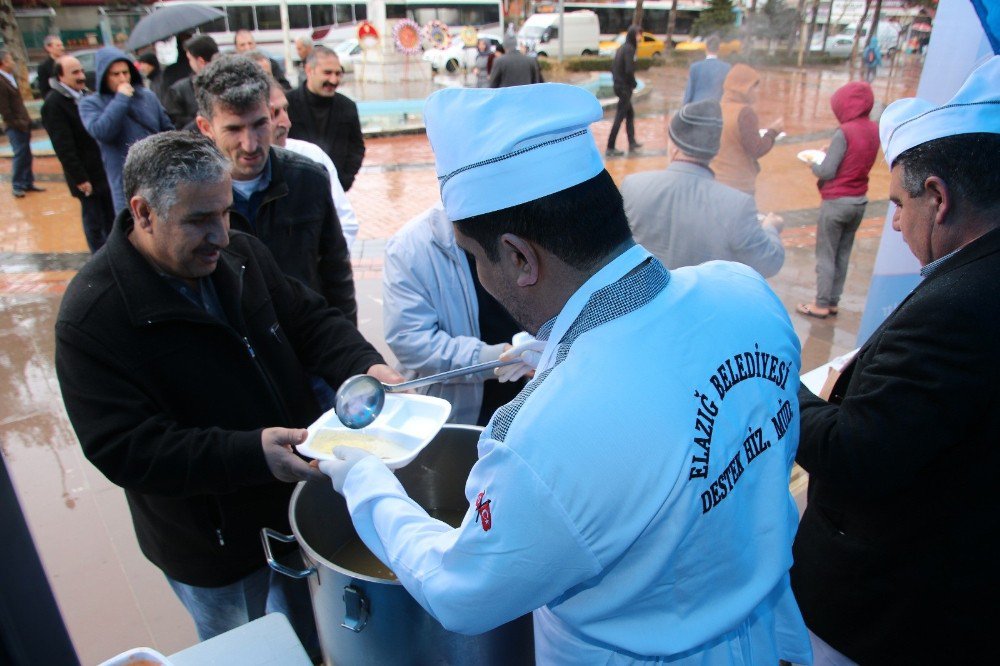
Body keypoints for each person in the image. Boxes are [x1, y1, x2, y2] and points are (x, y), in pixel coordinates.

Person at [317, 83, 811, 664]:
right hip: (768, 636)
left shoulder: (543, 437)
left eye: (476, 259)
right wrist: (555, 351)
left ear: (520, 258)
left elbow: (460, 593)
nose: (481, 276)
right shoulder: (744, 293)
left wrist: (365, 483)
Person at [54, 130, 401, 653]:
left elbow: (310, 321)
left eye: (223, 212)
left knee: (312, 634)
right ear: (143, 213)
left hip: (295, 505)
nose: (220, 234)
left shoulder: (241, 255)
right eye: (198, 220)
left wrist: (365, 364)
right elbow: (124, 448)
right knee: (244, 649)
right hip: (212, 546)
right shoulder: (93, 317)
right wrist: (249, 453)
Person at [790, 55, 1000, 665]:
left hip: (889, 607)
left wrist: (785, 384)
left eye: (899, 205)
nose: (898, 223)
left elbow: (855, 453)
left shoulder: (961, 304)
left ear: (938, 196)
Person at [195, 55, 357, 325]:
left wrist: (347, 349)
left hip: (306, 343)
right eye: (234, 129)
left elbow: (336, 275)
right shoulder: (192, 196)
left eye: (259, 124)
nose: (250, 144)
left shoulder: (309, 179)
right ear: (206, 127)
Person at [382, 202, 528, 426]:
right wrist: (499, 357)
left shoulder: (532, 224)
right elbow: (410, 340)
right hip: (454, 410)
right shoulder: (410, 248)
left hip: (528, 401)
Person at [622, 100, 785, 278]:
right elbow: (769, 263)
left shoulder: (633, 186)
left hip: (644, 301)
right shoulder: (737, 205)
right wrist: (771, 228)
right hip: (704, 305)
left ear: (674, 145)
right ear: (714, 152)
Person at [796, 81, 879, 319]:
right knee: (843, 253)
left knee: (826, 254)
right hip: (859, 202)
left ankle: (820, 303)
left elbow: (828, 171)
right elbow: (855, 157)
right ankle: (833, 302)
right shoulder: (873, 129)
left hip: (835, 203)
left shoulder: (844, 131)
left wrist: (814, 163)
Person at [79, 46, 173, 214]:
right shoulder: (91, 103)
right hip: (124, 180)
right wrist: (121, 99)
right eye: (115, 74)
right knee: (132, 227)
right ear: (104, 76)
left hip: (157, 175)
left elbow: (167, 129)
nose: (122, 78)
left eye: (125, 72)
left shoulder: (147, 96)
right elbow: (102, 131)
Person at [267, 77, 359, 249]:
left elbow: (345, 222)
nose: (286, 122)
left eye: (286, 110)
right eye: (274, 114)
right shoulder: (221, 177)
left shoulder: (311, 157)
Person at [41, 55, 115, 253]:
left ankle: (113, 254)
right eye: (75, 73)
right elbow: (63, 146)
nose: (81, 76)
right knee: (93, 218)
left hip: (102, 168)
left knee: (110, 215)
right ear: (60, 76)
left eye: (81, 71)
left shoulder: (86, 95)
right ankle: (99, 257)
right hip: (85, 173)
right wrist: (80, 177)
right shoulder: (54, 104)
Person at [286, 46, 365, 192]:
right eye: (327, 73)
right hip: (295, 191)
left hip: (335, 191)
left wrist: (343, 181)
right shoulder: (287, 104)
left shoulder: (347, 106)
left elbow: (356, 148)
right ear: (309, 70)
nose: (334, 80)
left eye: (338, 74)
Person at [712, 63, 783, 197]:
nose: (757, 92)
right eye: (754, 87)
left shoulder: (717, 108)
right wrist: (773, 132)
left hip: (716, 180)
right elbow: (756, 149)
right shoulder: (744, 113)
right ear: (744, 88)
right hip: (739, 183)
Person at [0, 49, 43, 198]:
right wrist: (18, 123)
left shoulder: (10, 78)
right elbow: (5, 109)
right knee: (20, 154)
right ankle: (17, 184)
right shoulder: (1, 81)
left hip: (22, 123)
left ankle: (28, 182)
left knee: (26, 154)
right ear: (4, 62)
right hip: (15, 126)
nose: (13, 62)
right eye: (10, 59)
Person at [164, 35, 218, 131]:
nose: (189, 63)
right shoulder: (178, 90)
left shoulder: (178, 90)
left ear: (200, 61)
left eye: (190, 59)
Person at [606, 25, 642, 157]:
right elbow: (629, 69)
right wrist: (633, 83)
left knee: (630, 114)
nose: (640, 37)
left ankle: (632, 142)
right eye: (638, 34)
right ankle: (610, 146)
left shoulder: (623, 47)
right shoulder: (629, 49)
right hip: (624, 88)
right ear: (633, 35)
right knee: (620, 116)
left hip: (620, 86)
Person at [681, 34, 731, 105]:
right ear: (718, 49)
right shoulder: (727, 68)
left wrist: (684, 109)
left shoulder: (695, 67)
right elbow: (728, 93)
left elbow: (689, 93)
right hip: (717, 108)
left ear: (706, 48)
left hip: (696, 107)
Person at [36, 35, 65, 99]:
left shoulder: (67, 61)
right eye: (58, 46)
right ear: (48, 48)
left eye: (62, 45)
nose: (62, 48)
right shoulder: (44, 66)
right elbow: (44, 89)